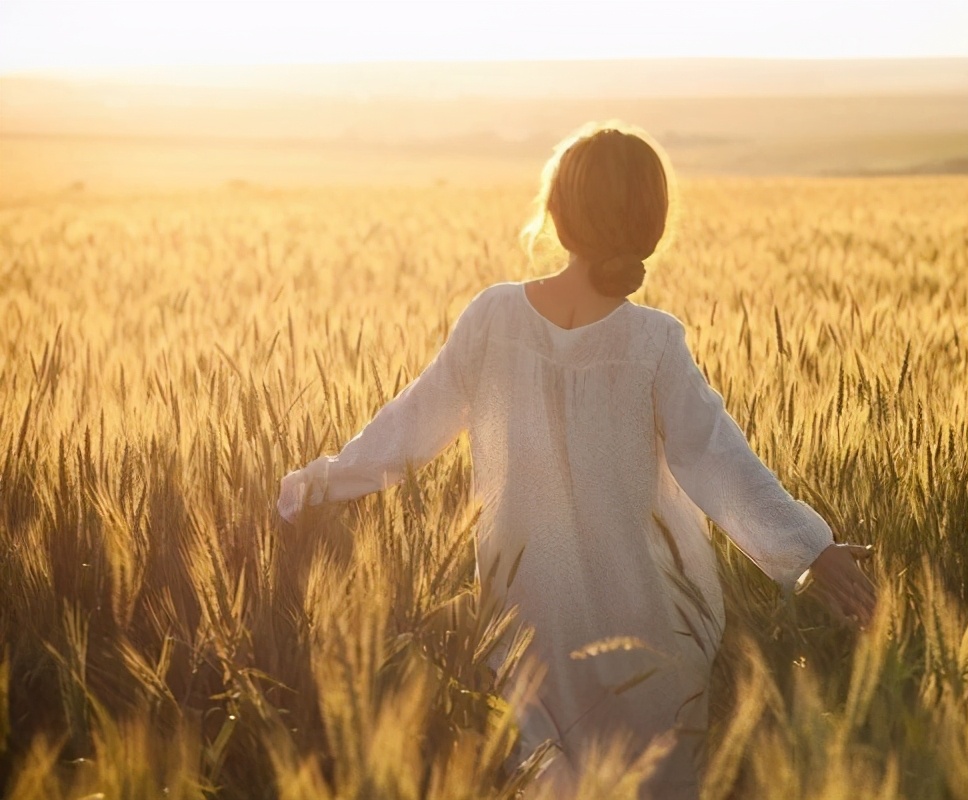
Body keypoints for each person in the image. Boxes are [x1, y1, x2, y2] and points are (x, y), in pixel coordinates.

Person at [277, 120, 878, 798]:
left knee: (542, 784)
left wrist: (312, 487)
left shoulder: (493, 318)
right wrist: (808, 550)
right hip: (651, 623)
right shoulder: (653, 341)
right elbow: (717, 462)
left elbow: (409, 429)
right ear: (650, 226)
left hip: (528, 620)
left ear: (557, 216)